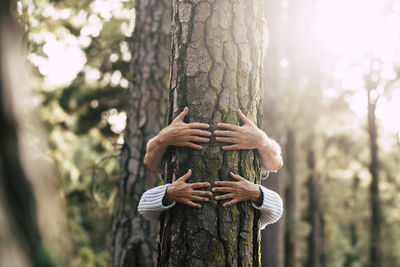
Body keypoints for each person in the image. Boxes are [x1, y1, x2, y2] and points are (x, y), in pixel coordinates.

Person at [138, 107, 283, 229]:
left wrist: (262, 142)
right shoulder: (171, 189)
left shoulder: (252, 195)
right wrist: (169, 193)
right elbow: (144, 206)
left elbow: (276, 166)